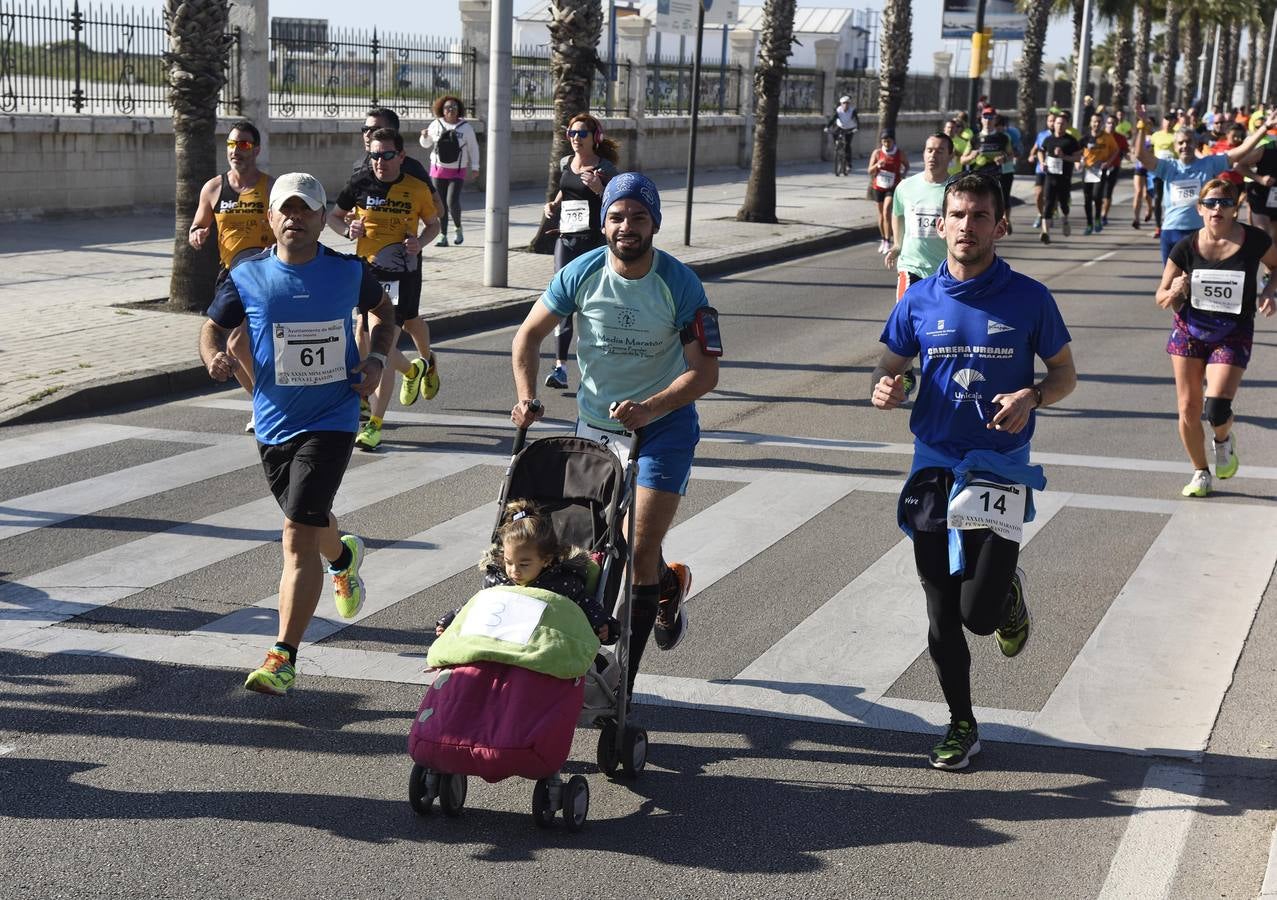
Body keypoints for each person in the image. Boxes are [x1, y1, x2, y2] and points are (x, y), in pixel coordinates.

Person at [870, 173, 1077, 770]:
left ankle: (1007, 598)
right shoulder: (917, 299)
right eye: (957, 215)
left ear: (999, 225)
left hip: (999, 468)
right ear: (940, 225)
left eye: (979, 216)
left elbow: (1065, 374)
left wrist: (1033, 397)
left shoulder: (1030, 297)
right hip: (934, 464)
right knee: (940, 607)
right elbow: (892, 364)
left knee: (978, 615)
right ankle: (962, 723)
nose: (966, 226)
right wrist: (891, 385)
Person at [510, 172, 720, 695]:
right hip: (595, 430)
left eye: (639, 217)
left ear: (654, 224)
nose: (627, 226)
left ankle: (624, 679)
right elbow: (527, 337)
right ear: (604, 223)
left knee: (638, 543)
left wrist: (651, 407)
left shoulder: (679, 283)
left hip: (662, 427)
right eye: (617, 216)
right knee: (587, 546)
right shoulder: (580, 273)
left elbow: (705, 373)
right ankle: (670, 586)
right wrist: (525, 395)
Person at [199, 173, 397, 696]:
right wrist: (212, 356)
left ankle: (283, 654)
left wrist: (376, 360)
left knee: (295, 534)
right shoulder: (246, 275)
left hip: (333, 418)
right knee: (307, 521)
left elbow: (386, 316)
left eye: (306, 210)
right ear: (270, 218)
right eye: (286, 210)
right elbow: (212, 327)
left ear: (321, 217)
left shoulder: (350, 272)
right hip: (273, 422)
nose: (295, 218)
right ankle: (345, 556)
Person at [1154, 179, 1277, 498]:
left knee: (1217, 408)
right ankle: (1200, 471)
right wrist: (1176, 291)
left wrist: (1269, 291)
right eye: (1209, 203)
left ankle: (1223, 440)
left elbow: (1275, 265)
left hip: (1232, 332)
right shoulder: (1185, 247)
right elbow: (1161, 295)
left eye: (1224, 203)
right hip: (1189, 330)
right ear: (1199, 209)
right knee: (1187, 408)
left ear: (1236, 208)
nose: (1217, 209)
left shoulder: (1255, 240)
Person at [329, 128, 442, 451]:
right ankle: (413, 369)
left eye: (386, 155)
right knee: (365, 343)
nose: (379, 162)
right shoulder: (360, 184)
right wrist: (348, 229)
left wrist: (419, 242)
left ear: (400, 156)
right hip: (365, 274)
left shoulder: (416, 188)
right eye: (374, 155)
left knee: (381, 346)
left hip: (402, 275)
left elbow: (434, 223)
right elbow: (334, 217)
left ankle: (374, 426)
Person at [353, 107, 445, 422]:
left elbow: (437, 211)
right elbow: (350, 211)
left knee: (407, 322)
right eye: (365, 129)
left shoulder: (413, 168)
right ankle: (378, 389)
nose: (368, 134)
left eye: (375, 128)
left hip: (404, 265)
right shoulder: (360, 169)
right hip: (368, 266)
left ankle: (425, 362)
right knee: (363, 333)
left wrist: (414, 236)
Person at [187, 121, 275, 430]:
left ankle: (266, 403)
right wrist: (197, 233)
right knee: (235, 345)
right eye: (232, 145)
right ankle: (263, 403)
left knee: (238, 343)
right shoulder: (213, 187)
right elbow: (199, 223)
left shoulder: (270, 187)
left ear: (257, 149)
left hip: (265, 274)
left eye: (244, 145)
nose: (237, 150)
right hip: (231, 276)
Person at [434, 499, 615, 641]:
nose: (514, 570)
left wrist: (604, 625)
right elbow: (474, 606)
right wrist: (449, 621)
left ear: (546, 560)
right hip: (500, 641)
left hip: (543, 644)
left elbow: (586, 605)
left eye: (524, 564)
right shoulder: (498, 580)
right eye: (508, 562)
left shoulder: (562, 583)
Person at [1133, 105, 1277, 262]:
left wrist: (1265, 128)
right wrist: (1141, 125)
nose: (1184, 146)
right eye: (1180, 143)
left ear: (1196, 144)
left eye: (1189, 142)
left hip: (1199, 233)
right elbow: (1140, 154)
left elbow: (1241, 151)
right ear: (1175, 147)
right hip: (1171, 231)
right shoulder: (1167, 167)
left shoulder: (1209, 164)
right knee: (1170, 284)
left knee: (1196, 282)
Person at [540, 113, 621, 392]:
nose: (575, 138)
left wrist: (600, 189)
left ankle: (601, 364)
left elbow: (618, 204)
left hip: (593, 242)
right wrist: (553, 205)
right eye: (571, 134)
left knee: (593, 304)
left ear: (595, 137)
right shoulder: (566, 163)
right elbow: (567, 191)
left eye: (582, 134)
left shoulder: (607, 168)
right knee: (562, 299)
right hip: (566, 239)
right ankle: (560, 368)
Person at [885, 132, 951, 300]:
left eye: (939, 151)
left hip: (944, 269)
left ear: (951, 155)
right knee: (906, 318)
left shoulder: (955, 190)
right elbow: (897, 213)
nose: (933, 155)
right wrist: (897, 244)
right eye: (929, 150)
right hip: (911, 267)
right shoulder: (906, 186)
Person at [419, 95, 480, 247]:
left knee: (452, 202)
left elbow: (473, 147)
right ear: (442, 110)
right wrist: (424, 136)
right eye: (447, 107)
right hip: (438, 169)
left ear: (459, 109)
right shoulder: (436, 124)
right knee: (440, 204)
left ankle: (458, 228)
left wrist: (475, 167)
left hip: (457, 170)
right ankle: (443, 235)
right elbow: (426, 144)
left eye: (454, 107)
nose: (451, 110)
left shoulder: (466, 128)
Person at [1036, 112, 1082, 244]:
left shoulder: (1071, 141)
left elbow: (1078, 157)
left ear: (1066, 125)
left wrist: (1064, 157)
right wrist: (1042, 162)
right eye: (1057, 123)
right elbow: (1041, 151)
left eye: (1062, 124)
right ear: (1053, 125)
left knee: (1063, 204)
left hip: (1065, 177)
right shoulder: (1048, 139)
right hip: (1050, 177)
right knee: (1048, 204)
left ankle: (1065, 220)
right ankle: (1045, 232)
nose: (1059, 126)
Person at [869, 130, 909, 254]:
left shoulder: (899, 153)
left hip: (892, 186)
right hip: (878, 186)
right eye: (884, 141)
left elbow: (906, 165)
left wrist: (903, 174)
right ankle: (883, 240)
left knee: (887, 211)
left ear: (893, 141)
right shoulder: (877, 153)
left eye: (889, 141)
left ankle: (888, 238)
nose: (886, 143)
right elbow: (870, 170)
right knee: (881, 214)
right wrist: (877, 165)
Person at [1080, 112, 1117, 235]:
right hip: (1087, 169)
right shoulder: (1085, 137)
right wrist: (1078, 161)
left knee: (1097, 196)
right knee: (1087, 198)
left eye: (1099, 121)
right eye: (1094, 121)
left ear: (1102, 123)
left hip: (1100, 169)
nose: (1097, 124)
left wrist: (1108, 162)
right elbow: (1078, 151)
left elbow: (1115, 151)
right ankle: (1089, 223)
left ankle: (1097, 218)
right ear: (1091, 123)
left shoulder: (1107, 137)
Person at [1100, 114, 1128, 227]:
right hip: (1098, 168)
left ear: (1116, 125)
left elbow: (1125, 151)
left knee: (1108, 193)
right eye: (1109, 123)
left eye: (1113, 123)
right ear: (1105, 124)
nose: (1111, 125)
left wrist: (1125, 156)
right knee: (1096, 193)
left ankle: (1103, 215)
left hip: (1113, 167)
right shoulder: (1099, 136)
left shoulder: (1120, 138)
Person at [1031, 109, 1057, 230]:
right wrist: (1031, 155)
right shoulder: (1042, 135)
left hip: (1055, 170)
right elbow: (1036, 148)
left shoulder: (1061, 136)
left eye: (1054, 121)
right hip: (1041, 169)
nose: (1052, 123)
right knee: (1038, 195)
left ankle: (1048, 215)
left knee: (1050, 196)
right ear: (1047, 122)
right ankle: (1040, 214)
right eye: (1050, 121)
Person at [826, 95, 860, 173]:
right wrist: (827, 127)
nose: (846, 105)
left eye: (847, 103)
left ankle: (848, 164)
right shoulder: (838, 110)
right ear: (841, 104)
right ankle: (837, 145)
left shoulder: (852, 111)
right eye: (844, 103)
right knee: (834, 133)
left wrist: (857, 128)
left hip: (850, 127)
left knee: (847, 145)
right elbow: (833, 119)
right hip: (840, 126)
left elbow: (857, 120)